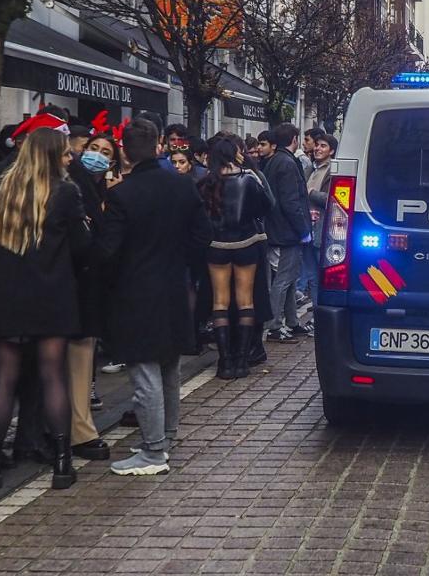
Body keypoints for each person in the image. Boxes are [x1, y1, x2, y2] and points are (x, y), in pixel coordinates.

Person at [0, 127, 91, 491]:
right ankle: (63, 463)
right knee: (53, 375)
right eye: (66, 153)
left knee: (3, 378)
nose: (71, 158)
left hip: (3, 296)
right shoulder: (65, 192)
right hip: (51, 295)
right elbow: (83, 247)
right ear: (53, 156)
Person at [96, 119, 210, 476]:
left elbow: (107, 253)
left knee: (144, 372)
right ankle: (166, 436)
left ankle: (153, 451)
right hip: (175, 286)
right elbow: (202, 235)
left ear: (125, 150)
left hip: (136, 293)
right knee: (169, 367)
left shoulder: (121, 195)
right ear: (159, 145)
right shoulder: (182, 187)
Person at [199, 136, 273, 379]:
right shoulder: (248, 179)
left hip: (216, 245)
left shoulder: (206, 182)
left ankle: (224, 362)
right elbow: (265, 206)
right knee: (245, 300)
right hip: (246, 243)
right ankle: (242, 361)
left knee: (220, 302)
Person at [66, 133, 119, 461]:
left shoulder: (100, 190)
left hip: (88, 286)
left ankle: (75, 426)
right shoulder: (76, 187)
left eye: (105, 152)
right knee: (78, 360)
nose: (97, 156)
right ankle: (79, 430)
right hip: (78, 286)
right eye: (93, 149)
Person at [262, 123, 312, 343]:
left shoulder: (273, 161)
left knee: (289, 279)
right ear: (294, 139)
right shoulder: (288, 163)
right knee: (283, 280)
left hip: (276, 229)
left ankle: (292, 321)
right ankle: (274, 326)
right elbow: (291, 201)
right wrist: (303, 230)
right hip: (287, 231)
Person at [304, 133, 338, 308]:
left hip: (322, 231)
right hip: (308, 230)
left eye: (323, 146)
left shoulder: (333, 170)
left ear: (331, 151)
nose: (317, 148)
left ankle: (323, 312)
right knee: (312, 277)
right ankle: (317, 314)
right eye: (317, 145)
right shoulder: (311, 168)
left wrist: (311, 194)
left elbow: (333, 199)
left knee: (322, 276)